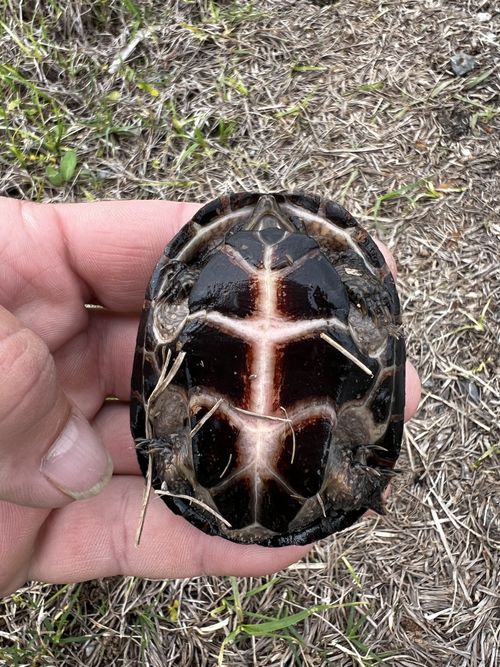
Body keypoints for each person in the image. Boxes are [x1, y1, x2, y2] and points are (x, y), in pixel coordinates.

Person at [0, 197, 421, 597]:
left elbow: (165, 334)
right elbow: (378, 330)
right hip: (303, 271)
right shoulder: (332, 486)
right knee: (352, 480)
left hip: (223, 267)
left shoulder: (180, 469)